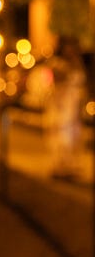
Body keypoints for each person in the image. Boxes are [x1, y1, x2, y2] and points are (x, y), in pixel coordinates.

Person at [44, 37, 87, 181]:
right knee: (62, 136)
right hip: (63, 105)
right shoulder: (58, 64)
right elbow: (56, 83)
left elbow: (81, 85)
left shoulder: (77, 65)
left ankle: (70, 166)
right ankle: (60, 166)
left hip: (73, 107)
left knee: (73, 137)